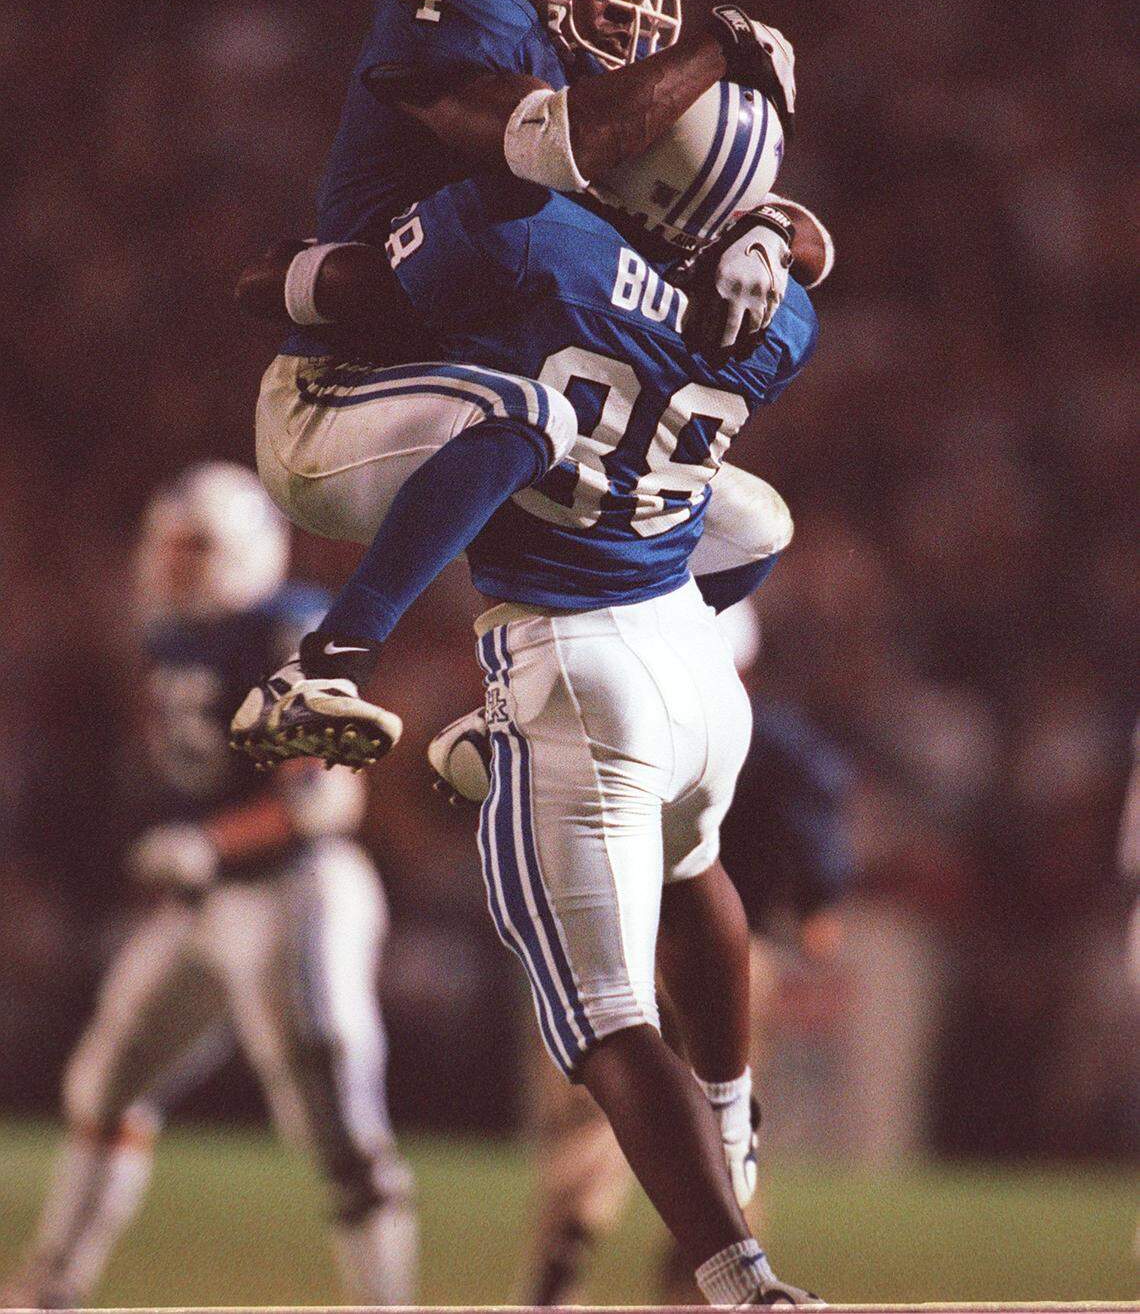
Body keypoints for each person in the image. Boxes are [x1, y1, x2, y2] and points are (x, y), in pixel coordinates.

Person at [238, 88, 830, 1303]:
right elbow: (789, 250)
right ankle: (734, 1126)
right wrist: (763, 233)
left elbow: (368, 303)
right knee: (692, 871)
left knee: (606, 1020)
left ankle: (740, 1280)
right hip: (694, 660)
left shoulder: (533, 235)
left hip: (572, 657)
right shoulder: (784, 324)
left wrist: (282, 283)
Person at [229, 0, 801, 770]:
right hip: (350, 392)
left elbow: (784, 229)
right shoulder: (458, 12)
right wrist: (712, 53)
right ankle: (325, 666)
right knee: (533, 412)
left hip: (478, 411)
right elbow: (549, 142)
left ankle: (520, 711)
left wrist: (764, 231)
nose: (630, 11)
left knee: (745, 524)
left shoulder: (611, 100)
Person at [2, 465, 415, 1310]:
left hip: (296, 892)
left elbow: (324, 795)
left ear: (247, 551)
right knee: (105, 1084)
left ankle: (386, 1302)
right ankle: (52, 1288)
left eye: (196, 548)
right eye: (169, 546)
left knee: (336, 1125)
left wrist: (209, 840)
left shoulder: (289, 630)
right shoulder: (171, 637)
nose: (174, 564)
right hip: (210, 900)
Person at [492, 599, 856, 1306]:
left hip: (614, 939)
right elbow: (819, 899)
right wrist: (811, 938)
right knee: (725, 1111)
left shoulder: (598, 708)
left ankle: (565, 1256)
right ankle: (722, 1271)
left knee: (595, 1110)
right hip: (729, 954)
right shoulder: (772, 741)